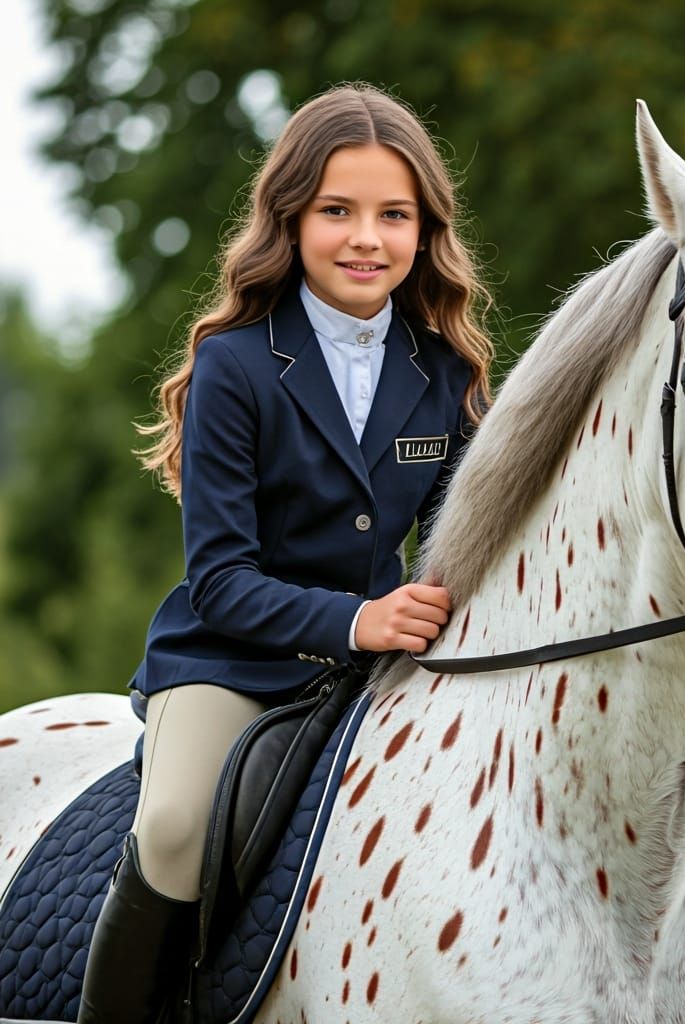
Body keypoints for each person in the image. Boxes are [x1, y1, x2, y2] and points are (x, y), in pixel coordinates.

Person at [77, 82, 493, 1023]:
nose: (366, 239)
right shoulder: (235, 364)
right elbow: (221, 581)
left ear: (424, 229)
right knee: (174, 828)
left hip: (381, 667)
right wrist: (359, 620)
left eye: (394, 215)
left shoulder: (449, 373)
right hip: (231, 660)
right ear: (291, 219)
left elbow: (463, 548)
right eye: (337, 211)